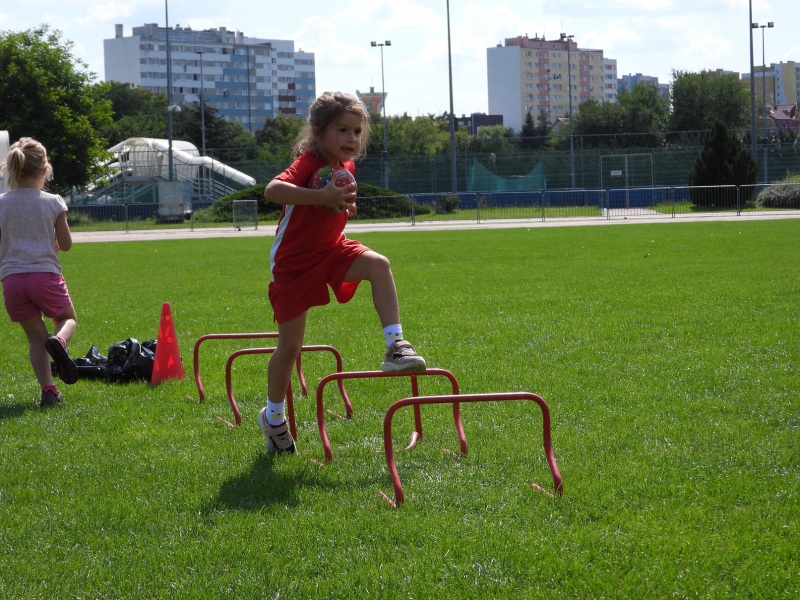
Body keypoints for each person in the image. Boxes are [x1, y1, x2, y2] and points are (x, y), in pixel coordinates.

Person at [259, 91, 426, 454]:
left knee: (379, 264)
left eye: (357, 132)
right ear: (318, 133)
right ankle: (273, 418)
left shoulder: (347, 167)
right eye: (342, 131)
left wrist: (337, 205)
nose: (351, 139)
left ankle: (395, 345)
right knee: (290, 347)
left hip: (332, 249)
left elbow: (334, 207)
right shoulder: (308, 161)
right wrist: (320, 198)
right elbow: (273, 190)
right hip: (294, 263)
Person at [0, 137, 79, 407]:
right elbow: (66, 245)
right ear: (44, 171)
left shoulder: (1, 203)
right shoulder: (53, 202)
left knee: (35, 338)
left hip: (12, 280)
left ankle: (49, 391)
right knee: (67, 318)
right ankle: (59, 341)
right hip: (44, 275)